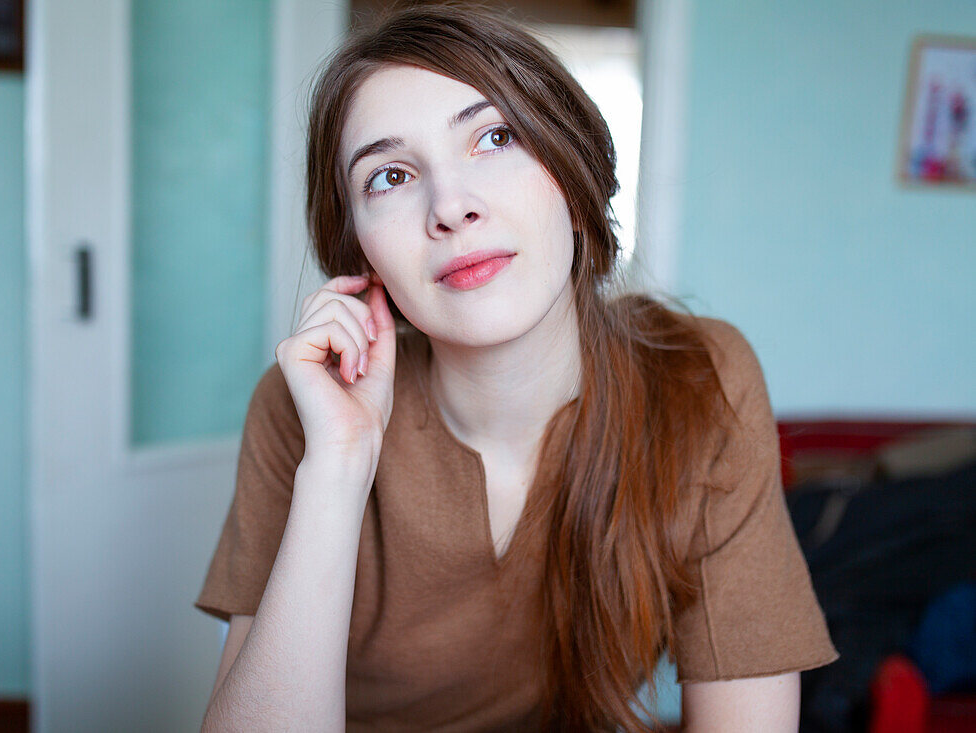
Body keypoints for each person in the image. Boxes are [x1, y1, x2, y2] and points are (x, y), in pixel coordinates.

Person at [195, 3, 838, 731]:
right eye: (391, 176)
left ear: (573, 173)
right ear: (361, 256)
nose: (452, 206)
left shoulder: (700, 380)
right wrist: (339, 464)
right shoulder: (305, 406)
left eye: (495, 136)